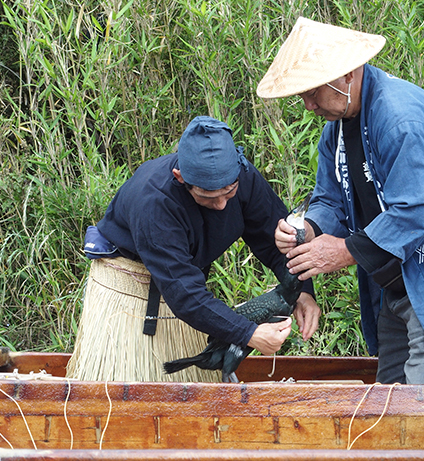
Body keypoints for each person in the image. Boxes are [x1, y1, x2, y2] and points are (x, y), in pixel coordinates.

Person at [257, 17, 424, 384]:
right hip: (401, 278)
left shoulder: (400, 118)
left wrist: (343, 251)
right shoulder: (335, 131)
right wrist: (308, 228)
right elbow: (329, 198)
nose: (307, 105)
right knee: (390, 406)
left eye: (312, 92)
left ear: (347, 74)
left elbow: (418, 209)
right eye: (301, 96)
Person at [67, 115, 319, 382]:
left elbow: (276, 241)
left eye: (229, 192)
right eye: (208, 197)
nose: (222, 204)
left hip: (184, 293)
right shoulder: (154, 202)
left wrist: (302, 291)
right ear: (180, 178)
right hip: (129, 295)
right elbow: (184, 292)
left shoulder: (242, 177)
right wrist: (250, 334)